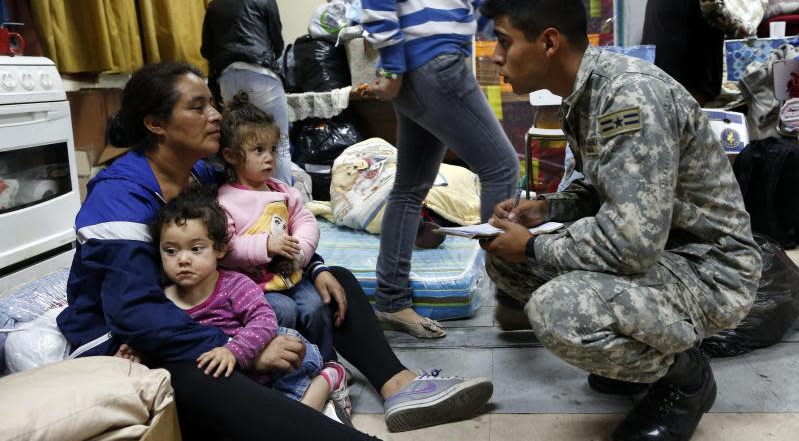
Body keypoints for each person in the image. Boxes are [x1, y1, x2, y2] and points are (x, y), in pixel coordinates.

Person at [57, 62, 492, 438]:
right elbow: (135, 310)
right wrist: (240, 345)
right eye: (198, 107)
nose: (215, 116)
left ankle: (399, 386)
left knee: (331, 281)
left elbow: (273, 217)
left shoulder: (205, 175)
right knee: (204, 372)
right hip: (130, 335)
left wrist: (313, 263)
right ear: (155, 124)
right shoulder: (119, 198)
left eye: (213, 103)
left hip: (204, 305)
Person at [479, 0, 761, 441]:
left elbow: (629, 244)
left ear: (548, 43)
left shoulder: (627, 97)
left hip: (710, 268)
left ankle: (684, 379)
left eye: (505, 42)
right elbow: (603, 188)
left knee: (558, 309)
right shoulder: (588, 92)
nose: (496, 56)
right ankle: (636, 352)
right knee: (502, 263)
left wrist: (531, 247)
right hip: (661, 250)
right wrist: (548, 210)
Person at [359, 0, 519, 338]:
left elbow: (455, 0)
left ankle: (390, 301)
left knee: (409, 189)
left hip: (427, 63)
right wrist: (391, 63)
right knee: (501, 167)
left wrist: (511, 25)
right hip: (434, 65)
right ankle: (513, 300)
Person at [150, 185, 352, 424]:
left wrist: (233, 350)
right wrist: (138, 348)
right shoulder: (161, 297)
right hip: (241, 377)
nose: (183, 259)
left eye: (196, 249)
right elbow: (158, 333)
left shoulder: (234, 285)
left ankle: (330, 377)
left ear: (220, 249)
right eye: (171, 251)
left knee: (293, 420)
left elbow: (265, 320)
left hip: (283, 362)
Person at [217, 91, 335, 364]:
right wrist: (265, 245)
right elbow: (226, 248)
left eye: (272, 149)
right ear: (231, 156)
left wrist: (301, 252)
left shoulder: (282, 191)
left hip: (290, 275)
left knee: (316, 306)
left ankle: (328, 362)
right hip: (251, 286)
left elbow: (305, 220)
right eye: (258, 150)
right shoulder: (224, 200)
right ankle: (289, 372)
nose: (269, 158)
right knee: (283, 310)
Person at [201, 0, 293, 185]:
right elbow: (277, 45)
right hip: (262, 74)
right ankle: (284, 203)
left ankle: (245, 200)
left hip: (226, 78)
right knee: (280, 143)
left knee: (241, 143)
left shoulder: (214, 4)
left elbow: (206, 50)